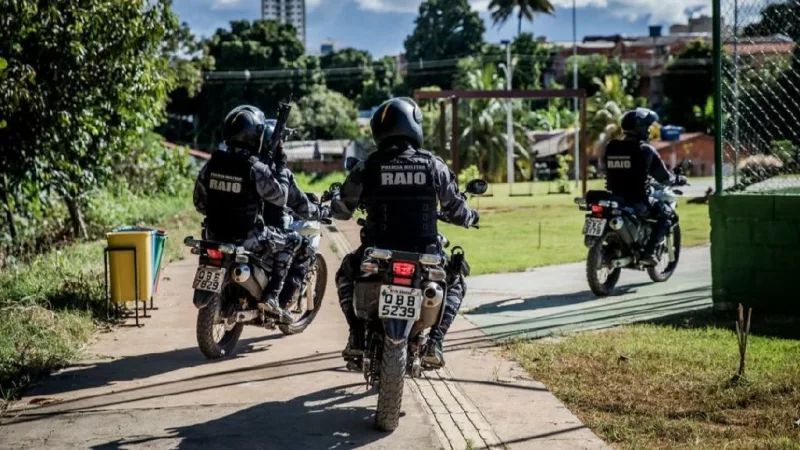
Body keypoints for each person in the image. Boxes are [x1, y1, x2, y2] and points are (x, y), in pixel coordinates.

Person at [331, 97, 479, 368]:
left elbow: (342, 209)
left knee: (345, 272)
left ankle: (356, 335)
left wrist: (333, 204)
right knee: (456, 280)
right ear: (414, 124)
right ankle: (435, 342)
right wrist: (471, 216)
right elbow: (457, 210)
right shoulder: (433, 165)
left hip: (377, 252)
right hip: (426, 254)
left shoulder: (368, 165)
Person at [193, 105, 330, 323]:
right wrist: (282, 165)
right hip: (247, 239)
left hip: (213, 235)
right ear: (255, 135)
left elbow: (199, 203)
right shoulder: (255, 168)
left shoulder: (212, 163)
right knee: (295, 241)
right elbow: (281, 197)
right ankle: (273, 296)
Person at [603, 108, 687, 266]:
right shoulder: (645, 150)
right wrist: (678, 179)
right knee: (668, 215)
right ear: (641, 129)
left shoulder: (611, 146)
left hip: (614, 197)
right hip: (638, 200)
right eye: (647, 128)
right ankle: (648, 253)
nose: (649, 131)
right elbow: (664, 177)